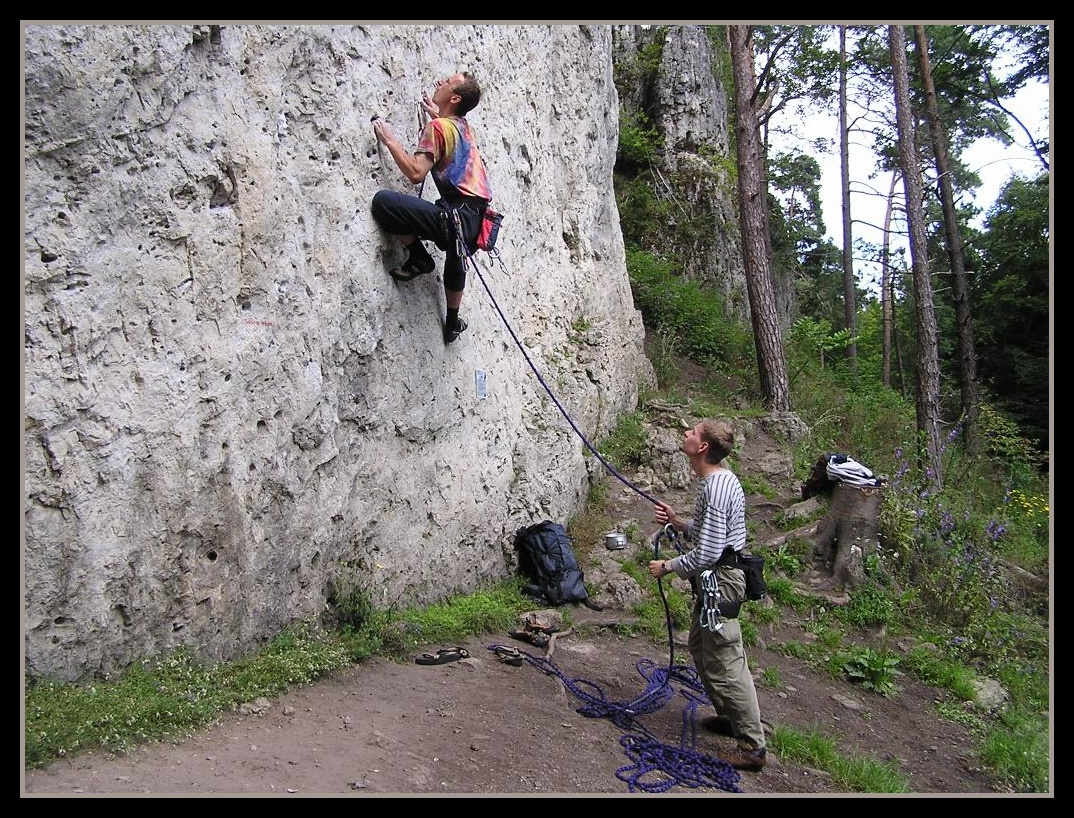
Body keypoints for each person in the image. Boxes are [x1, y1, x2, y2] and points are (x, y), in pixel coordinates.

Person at [647, 418, 768, 771]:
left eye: (692, 432)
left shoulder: (715, 488)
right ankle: (731, 717)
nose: (686, 433)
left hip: (722, 580)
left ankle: (752, 747)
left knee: (726, 662)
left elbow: (709, 553)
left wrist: (668, 566)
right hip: (719, 579)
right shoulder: (720, 478)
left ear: (701, 448)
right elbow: (708, 533)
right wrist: (678, 522)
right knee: (701, 646)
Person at [370, 71, 493, 344]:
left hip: (455, 218)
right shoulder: (461, 126)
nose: (440, 82)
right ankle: (452, 322)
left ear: (455, 97)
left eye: (446, 83)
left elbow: (416, 172)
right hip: (476, 220)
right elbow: (450, 136)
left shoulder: (438, 129)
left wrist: (390, 140)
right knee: (456, 254)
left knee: (384, 204)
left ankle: (419, 256)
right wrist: (436, 114)